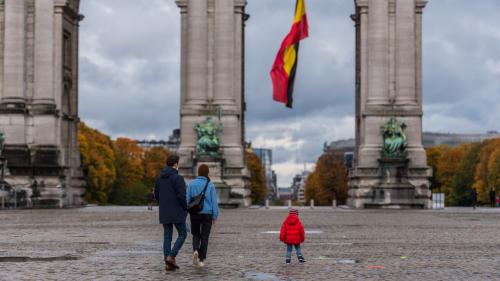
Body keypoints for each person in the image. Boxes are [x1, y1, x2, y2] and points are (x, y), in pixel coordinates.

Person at [154, 155, 187, 271]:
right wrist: (185, 207)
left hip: (164, 211)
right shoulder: (178, 178)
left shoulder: (159, 178)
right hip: (177, 210)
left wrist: (163, 205)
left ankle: (168, 262)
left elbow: (156, 195)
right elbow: (182, 196)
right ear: (175, 164)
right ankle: (171, 256)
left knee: (167, 236)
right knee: (183, 234)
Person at [186, 164, 219, 267]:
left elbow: (186, 200)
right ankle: (201, 259)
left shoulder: (191, 184)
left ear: (198, 172)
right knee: (205, 237)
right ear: (207, 173)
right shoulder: (210, 185)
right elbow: (214, 202)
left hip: (195, 213)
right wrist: (215, 216)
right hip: (207, 214)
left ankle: (195, 250)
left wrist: (185, 212)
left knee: (195, 234)